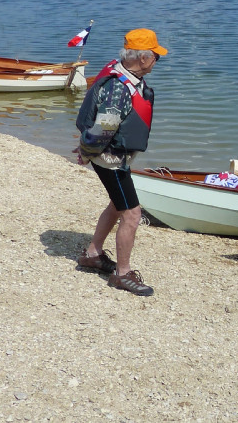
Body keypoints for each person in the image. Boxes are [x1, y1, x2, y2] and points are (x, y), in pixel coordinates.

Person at [74, 28, 168, 297]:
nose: (157, 61)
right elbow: (103, 130)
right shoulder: (119, 89)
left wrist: (86, 148)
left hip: (111, 155)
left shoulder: (123, 74)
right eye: (155, 56)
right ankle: (123, 274)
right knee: (132, 214)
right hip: (110, 159)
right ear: (142, 58)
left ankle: (93, 253)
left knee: (118, 204)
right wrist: (85, 151)